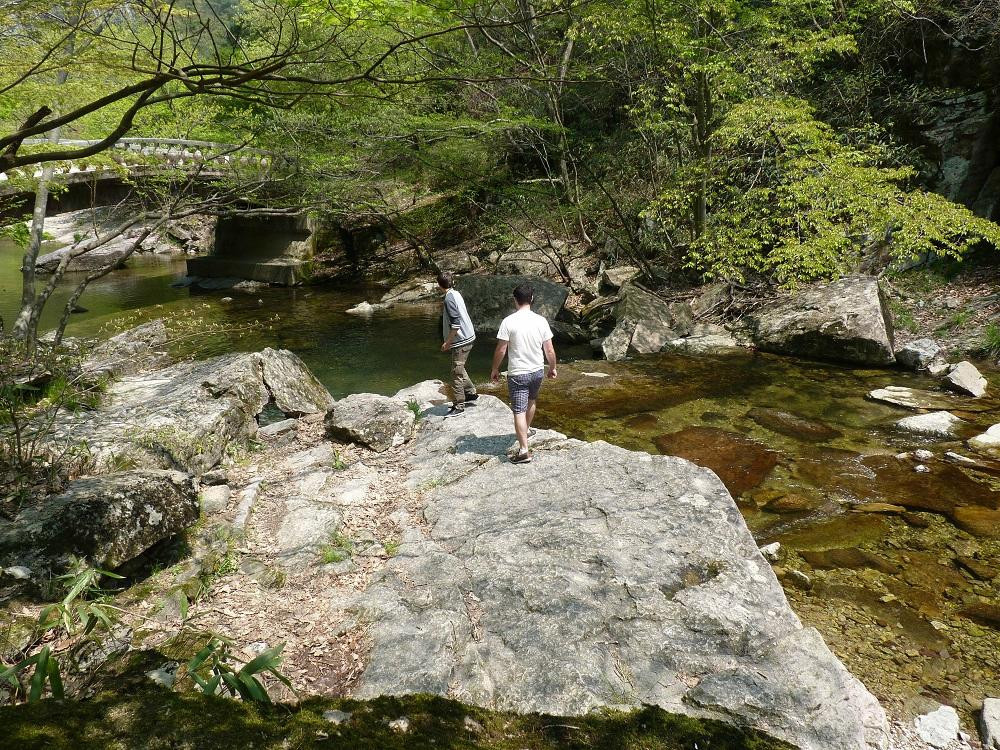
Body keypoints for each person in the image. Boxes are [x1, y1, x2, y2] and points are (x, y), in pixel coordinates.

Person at [490, 282, 558, 464]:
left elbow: (501, 350)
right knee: (531, 401)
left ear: (515, 300)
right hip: (537, 371)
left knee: (518, 410)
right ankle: (526, 431)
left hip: (518, 373)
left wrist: (495, 369)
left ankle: (523, 450)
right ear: (532, 299)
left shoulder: (508, 322)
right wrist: (552, 368)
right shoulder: (540, 321)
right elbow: (549, 350)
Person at [438, 271, 478, 417]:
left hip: (462, 340)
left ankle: (459, 405)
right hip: (469, 336)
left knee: (456, 372)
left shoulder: (449, 299)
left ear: (439, 285)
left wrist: (447, 342)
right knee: (459, 367)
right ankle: (470, 393)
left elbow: (455, 325)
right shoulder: (456, 293)